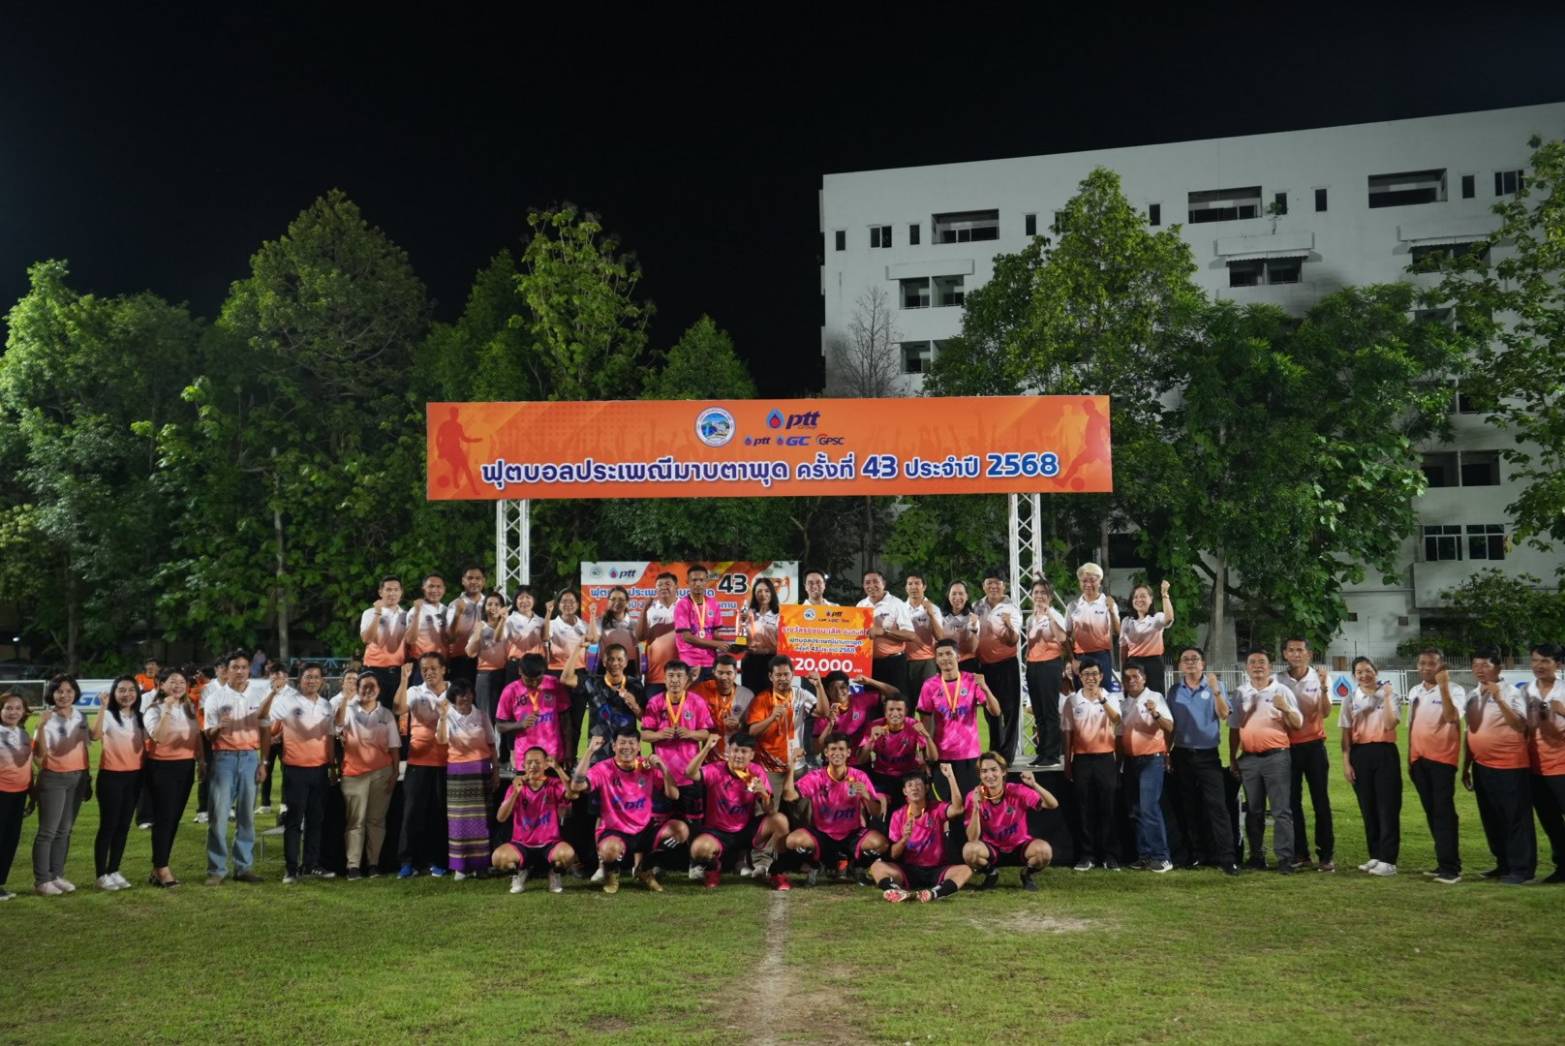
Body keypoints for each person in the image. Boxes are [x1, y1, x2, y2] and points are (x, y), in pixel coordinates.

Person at [570, 728, 682, 894]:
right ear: (614, 746)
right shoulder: (603, 769)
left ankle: (644, 869)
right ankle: (611, 873)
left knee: (679, 830)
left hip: (644, 830)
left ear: (639, 747)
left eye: (631, 743)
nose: (627, 747)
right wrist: (589, 751)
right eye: (622, 743)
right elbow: (576, 786)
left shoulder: (646, 766)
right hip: (615, 831)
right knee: (609, 850)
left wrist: (663, 767)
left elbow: (674, 795)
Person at [1463, 647, 1535, 885]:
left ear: (1499, 668)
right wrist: (1466, 766)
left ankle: (1522, 869)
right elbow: (1470, 731)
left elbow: (1520, 726)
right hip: (1481, 765)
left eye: (1485, 665)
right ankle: (1503, 863)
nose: (1480, 670)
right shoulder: (1473, 695)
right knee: (1492, 818)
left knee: (1515, 818)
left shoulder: (1513, 693)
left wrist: (1499, 699)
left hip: (1510, 766)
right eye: (1476, 665)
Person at [1228, 647, 1302, 874]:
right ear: (1246, 668)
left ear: (1270, 667)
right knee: (1254, 810)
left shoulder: (1282, 691)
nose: (1257, 666)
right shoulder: (1240, 693)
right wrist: (1232, 758)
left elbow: (1297, 723)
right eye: (1253, 662)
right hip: (1249, 758)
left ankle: (1285, 859)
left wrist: (1285, 708)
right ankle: (1256, 856)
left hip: (1276, 757)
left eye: (1262, 661)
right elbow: (1234, 728)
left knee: (1281, 810)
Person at [1165, 648, 1239, 875]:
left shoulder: (1215, 686)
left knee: (1217, 807)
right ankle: (1195, 854)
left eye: (1194, 659)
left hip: (1208, 755)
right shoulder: (1174, 690)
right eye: (1185, 659)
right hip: (1181, 754)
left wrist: (1216, 691)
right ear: (1180, 665)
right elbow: (1170, 725)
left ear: (1203, 663)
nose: (1190, 663)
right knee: (1188, 806)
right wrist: (1166, 752)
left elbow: (1224, 715)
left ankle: (1227, 858)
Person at [261, 663, 336, 884]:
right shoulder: (287, 701)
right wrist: (272, 694)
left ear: (322, 681)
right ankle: (291, 869)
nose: (312, 681)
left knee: (315, 820)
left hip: (320, 769)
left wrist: (332, 766)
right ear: (300, 679)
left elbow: (330, 737)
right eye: (307, 677)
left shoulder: (326, 706)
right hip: (295, 770)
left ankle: (310, 865)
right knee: (294, 821)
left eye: (316, 677)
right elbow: (262, 716)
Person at [780, 732, 888, 885]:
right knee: (792, 841)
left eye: (841, 749)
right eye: (833, 749)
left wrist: (867, 795)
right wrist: (791, 766)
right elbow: (789, 796)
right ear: (826, 752)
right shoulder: (816, 777)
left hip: (851, 834)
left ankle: (857, 867)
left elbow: (876, 813)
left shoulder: (859, 776)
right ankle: (815, 865)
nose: (837, 753)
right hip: (822, 834)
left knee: (881, 843)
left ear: (848, 752)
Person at [684, 732, 788, 888]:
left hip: (745, 830)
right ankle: (713, 868)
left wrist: (764, 794)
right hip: (717, 833)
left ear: (752, 755)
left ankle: (776, 871)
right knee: (698, 849)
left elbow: (771, 811)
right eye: (735, 750)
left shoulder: (756, 772)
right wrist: (706, 748)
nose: (738, 755)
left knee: (780, 820)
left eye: (744, 752)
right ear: (728, 751)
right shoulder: (715, 770)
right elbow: (689, 773)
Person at [202, 652, 267, 885]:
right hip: (224, 758)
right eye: (235, 667)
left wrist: (264, 762)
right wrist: (218, 727)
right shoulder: (215, 698)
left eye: (243, 667)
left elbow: (265, 731)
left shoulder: (259, 695)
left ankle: (243, 867)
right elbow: (208, 735)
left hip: (250, 758)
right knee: (219, 816)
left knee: (247, 816)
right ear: (226, 670)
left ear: (249, 669)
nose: (239, 671)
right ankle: (217, 870)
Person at [1276, 637, 1336, 872]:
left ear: (1308, 654)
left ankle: (1326, 854)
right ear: (1284, 654)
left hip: (1314, 746)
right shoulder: (1278, 680)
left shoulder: (1320, 677)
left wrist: (1323, 687)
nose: (1296, 654)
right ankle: (1300, 853)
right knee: (1292, 802)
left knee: (1320, 800)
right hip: (1288, 747)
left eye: (1300, 650)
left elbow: (1326, 712)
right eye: (1291, 650)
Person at [1339, 656, 1402, 876]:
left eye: (1368, 670)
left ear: (1376, 671)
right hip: (1360, 754)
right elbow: (1345, 733)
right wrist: (1346, 762)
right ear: (1354, 676)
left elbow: (1390, 724)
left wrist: (1386, 697)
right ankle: (1375, 855)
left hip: (1385, 752)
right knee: (1368, 807)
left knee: (1388, 807)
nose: (1364, 675)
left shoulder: (1391, 695)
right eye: (1359, 672)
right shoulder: (1350, 699)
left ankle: (1388, 860)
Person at [1405, 649, 1464, 884]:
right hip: (1419, 760)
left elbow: (1451, 717)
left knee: (1444, 812)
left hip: (1442, 760)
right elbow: (1411, 724)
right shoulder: (1415, 691)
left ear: (1441, 666)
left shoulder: (1455, 690)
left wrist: (1444, 686)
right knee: (1432, 812)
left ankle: (1452, 868)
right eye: (1422, 663)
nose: (1426, 667)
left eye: (1431, 663)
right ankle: (1443, 862)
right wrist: (1410, 758)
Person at [337, 668, 402, 880]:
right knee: (355, 821)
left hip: (381, 773)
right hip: (354, 773)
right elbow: (337, 725)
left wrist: (394, 773)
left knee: (376, 821)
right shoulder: (348, 709)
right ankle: (353, 866)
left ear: (379, 690)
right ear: (357, 689)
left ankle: (373, 864)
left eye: (372, 686)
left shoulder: (386, 715)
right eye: (364, 687)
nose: (368, 690)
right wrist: (345, 700)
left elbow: (394, 747)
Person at [917, 639, 1000, 803]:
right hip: (942, 755)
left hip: (970, 754)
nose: (944, 658)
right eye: (940, 655)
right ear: (936, 659)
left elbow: (995, 711)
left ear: (958, 656)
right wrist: (923, 754)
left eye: (949, 653)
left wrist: (985, 688)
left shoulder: (971, 680)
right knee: (948, 806)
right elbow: (924, 723)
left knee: (972, 803)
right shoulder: (930, 685)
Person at [961, 752, 1058, 890]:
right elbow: (972, 838)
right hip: (991, 848)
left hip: (1019, 845)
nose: (989, 775)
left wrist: (1034, 785)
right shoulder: (973, 796)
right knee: (969, 851)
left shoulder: (1017, 790)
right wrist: (976, 807)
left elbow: (1052, 804)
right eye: (984, 771)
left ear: (1003, 772)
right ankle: (991, 873)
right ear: (980, 775)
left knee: (1044, 851)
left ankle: (1026, 874)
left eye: (993, 770)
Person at [872, 768, 970, 903]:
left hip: (936, 869)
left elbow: (958, 809)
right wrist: (904, 839)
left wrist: (950, 777)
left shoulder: (937, 808)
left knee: (965, 870)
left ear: (926, 788)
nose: (914, 788)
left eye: (918, 784)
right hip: (909, 869)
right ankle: (895, 891)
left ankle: (934, 893)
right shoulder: (898, 815)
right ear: (905, 791)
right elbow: (893, 854)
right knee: (876, 867)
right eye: (910, 785)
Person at [640, 660, 715, 834]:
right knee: (660, 823)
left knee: (693, 824)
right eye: (671, 676)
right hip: (662, 776)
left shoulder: (697, 702)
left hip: (690, 775)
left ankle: (693, 850)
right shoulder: (655, 703)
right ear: (664, 679)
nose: (675, 680)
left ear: (687, 679)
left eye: (679, 676)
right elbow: (644, 735)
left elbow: (706, 734)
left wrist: (691, 734)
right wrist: (659, 735)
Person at [435, 678, 499, 880]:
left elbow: (492, 745)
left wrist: (495, 771)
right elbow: (442, 740)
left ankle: (481, 865)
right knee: (459, 819)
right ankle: (460, 866)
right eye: (460, 695)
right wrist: (442, 717)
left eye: (468, 693)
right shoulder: (447, 716)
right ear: (453, 698)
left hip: (480, 770)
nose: (465, 698)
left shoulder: (481, 715)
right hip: (458, 772)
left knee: (482, 819)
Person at [31, 675, 89, 896]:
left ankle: (56, 875)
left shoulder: (80, 715)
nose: (64, 695)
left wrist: (86, 777)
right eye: (59, 691)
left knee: (64, 830)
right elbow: (38, 757)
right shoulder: (47, 718)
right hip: (53, 778)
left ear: (75, 693)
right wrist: (41, 726)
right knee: (48, 831)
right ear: (52, 694)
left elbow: (86, 744)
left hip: (77, 778)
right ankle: (42, 880)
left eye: (69, 691)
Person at [143, 669, 200, 887]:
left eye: (182, 682)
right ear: (161, 685)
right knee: (164, 819)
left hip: (185, 766)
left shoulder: (188, 708)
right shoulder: (154, 709)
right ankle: (162, 868)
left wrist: (202, 762)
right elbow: (159, 736)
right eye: (172, 682)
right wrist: (166, 709)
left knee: (174, 818)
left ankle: (158, 867)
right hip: (162, 768)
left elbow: (196, 736)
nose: (178, 686)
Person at [1061, 660, 1120, 871]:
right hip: (1082, 760)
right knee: (1084, 808)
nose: (1090, 678)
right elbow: (1067, 733)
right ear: (1080, 677)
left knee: (1108, 807)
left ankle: (1109, 855)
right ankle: (1087, 855)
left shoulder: (1111, 697)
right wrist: (1067, 762)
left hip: (1106, 758)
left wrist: (1102, 700)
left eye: (1094, 674)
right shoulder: (1072, 701)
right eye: (1086, 674)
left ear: (1101, 676)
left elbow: (1117, 719)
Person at [493, 746, 576, 893]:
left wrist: (558, 768)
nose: (533, 766)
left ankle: (554, 873)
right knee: (498, 858)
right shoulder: (516, 786)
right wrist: (515, 793)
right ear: (523, 765)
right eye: (529, 762)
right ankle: (520, 871)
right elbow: (501, 817)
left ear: (545, 765)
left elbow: (572, 794)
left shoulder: (553, 784)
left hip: (550, 843)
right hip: (521, 843)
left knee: (567, 854)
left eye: (537, 762)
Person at [399, 650, 452, 878]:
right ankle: (408, 862)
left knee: (439, 814)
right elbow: (398, 708)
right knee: (412, 814)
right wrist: (404, 679)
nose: (429, 673)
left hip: (447, 761)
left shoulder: (454, 690)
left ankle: (438, 861)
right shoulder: (414, 691)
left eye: (433, 668)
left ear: (443, 670)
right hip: (418, 760)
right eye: (424, 670)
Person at [91, 676, 145, 891]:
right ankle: (100, 875)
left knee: (123, 826)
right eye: (121, 690)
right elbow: (95, 736)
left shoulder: (140, 717)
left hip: (134, 777)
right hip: (111, 777)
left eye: (131, 690)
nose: (127, 694)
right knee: (109, 826)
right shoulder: (108, 715)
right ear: (114, 693)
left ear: (137, 694)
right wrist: (102, 708)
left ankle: (114, 869)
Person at [1119, 664, 1174, 873]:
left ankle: (1162, 857)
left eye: (1135, 676)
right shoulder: (1124, 703)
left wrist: (1155, 713)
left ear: (1144, 678)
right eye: (1127, 678)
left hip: (1152, 759)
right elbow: (1119, 735)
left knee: (1149, 808)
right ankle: (1145, 855)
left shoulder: (1155, 697)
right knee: (1135, 810)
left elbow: (1169, 726)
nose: (1131, 680)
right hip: (1130, 761)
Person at [746, 655, 818, 795]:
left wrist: (819, 686)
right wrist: (771, 718)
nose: (783, 678)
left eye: (786, 674)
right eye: (778, 675)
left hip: (798, 766)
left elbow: (822, 712)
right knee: (773, 806)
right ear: (771, 676)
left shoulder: (800, 694)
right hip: (770, 769)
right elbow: (752, 732)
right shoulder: (761, 699)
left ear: (793, 674)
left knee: (800, 806)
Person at [856, 692, 938, 813]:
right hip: (882, 776)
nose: (895, 713)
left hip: (907, 776)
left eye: (899, 710)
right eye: (891, 709)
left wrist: (927, 736)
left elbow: (933, 758)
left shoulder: (914, 725)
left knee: (912, 811)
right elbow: (861, 760)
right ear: (885, 711)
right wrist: (871, 740)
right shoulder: (875, 726)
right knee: (878, 809)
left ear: (906, 711)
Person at [974, 572, 1023, 763]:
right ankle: (995, 750)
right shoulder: (977, 606)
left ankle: (1007, 755)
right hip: (984, 665)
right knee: (990, 710)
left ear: (1004, 586)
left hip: (1006, 664)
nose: (993, 587)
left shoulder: (1012, 608)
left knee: (1010, 710)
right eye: (989, 583)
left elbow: (1013, 640)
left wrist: (1008, 624)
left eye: (997, 583)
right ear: (983, 586)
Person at [1527, 642, 1565, 884]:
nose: (1538, 666)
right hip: (1536, 768)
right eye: (1535, 660)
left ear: (1558, 664)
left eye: (1545, 661)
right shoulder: (1526, 690)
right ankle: (1562, 867)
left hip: (1562, 766)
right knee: (1551, 821)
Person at [498, 651, 573, 772]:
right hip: (526, 758)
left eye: (538, 679)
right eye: (529, 680)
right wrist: (520, 725)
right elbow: (500, 726)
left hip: (552, 755)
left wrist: (569, 751)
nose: (534, 683)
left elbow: (566, 720)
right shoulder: (510, 691)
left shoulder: (554, 684)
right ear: (520, 671)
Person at [544, 591, 596, 753]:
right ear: (558, 605)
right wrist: (548, 613)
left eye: (572, 601)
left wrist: (592, 615)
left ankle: (571, 757)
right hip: (556, 674)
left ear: (578, 604)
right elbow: (545, 637)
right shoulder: (552, 624)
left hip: (579, 674)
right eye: (564, 601)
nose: (568, 604)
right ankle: (555, 756)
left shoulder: (583, 625)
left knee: (576, 718)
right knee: (556, 719)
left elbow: (593, 639)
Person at [1025, 578, 1068, 767]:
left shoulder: (1055, 615)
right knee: (1039, 712)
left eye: (1043, 592)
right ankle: (1042, 752)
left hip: (1050, 665)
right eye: (1036, 592)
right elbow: (1030, 645)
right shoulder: (1030, 619)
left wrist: (1049, 614)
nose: (1039, 596)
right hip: (1033, 666)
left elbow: (1062, 638)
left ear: (1050, 596)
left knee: (1050, 711)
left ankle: (1053, 754)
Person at [858, 570, 916, 697]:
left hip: (893, 663)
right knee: (872, 701)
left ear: (883, 583)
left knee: (896, 700)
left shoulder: (897, 604)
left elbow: (911, 635)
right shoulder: (861, 605)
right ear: (863, 586)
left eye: (875, 581)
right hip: (869, 664)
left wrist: (883, 632)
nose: (871, 586)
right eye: (867, 582)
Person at [359, 576, 410, 708]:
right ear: (380, 592)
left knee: (396, 712)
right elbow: (366, 639)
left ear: (401, 592)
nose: (392, 593)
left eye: (396, 590)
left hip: (398, 672)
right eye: (388, 589)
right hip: (374, 670)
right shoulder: (369, 613)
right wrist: (378, 613)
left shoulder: (406, 615)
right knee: (373, 711)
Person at [1065, 563, 1119, 686]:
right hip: (1079, 657)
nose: (1088, 584)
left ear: (1099, 582)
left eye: (1092, 580)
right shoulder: (1072, 606)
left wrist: (1111, 611)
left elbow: (1117, 631)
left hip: (1101, 656)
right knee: (1081, 695)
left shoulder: (1108, 603)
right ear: (1079, 583)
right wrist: (1072, 660)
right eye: (1084, 581)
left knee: (1103, 694)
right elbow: (1066, 637)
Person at [0, 693, 31, 900]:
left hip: (19, 794)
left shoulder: (23, 734)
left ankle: (0, 883)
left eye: (18, 708)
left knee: (10, 840)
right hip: (1, 793)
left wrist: (32, 792)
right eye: (8, 708)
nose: (13, 712)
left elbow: (27, 765)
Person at [1119, 580, 1174, 696]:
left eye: (1143, 596)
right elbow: (1123, 649)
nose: (1139, 599)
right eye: (1135, 597)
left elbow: (1169, 618)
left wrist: (1165, 594)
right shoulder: (1127, 621)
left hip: (1153, 663)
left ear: (1151, 599)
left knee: (1154, 697)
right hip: (1133, 663)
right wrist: (1123, 672)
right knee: (1132, 698)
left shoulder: (1156, 618)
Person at [674, 565, 727, 683]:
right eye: (694, 580)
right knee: (691, 694)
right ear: (687, 582)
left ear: (706, 582)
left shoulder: (713, 603)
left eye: (701, 580)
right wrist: (717, 644)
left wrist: (729, 645)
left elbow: (715, 634)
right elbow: (687, 637)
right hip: (690, 662)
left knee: (709, 694)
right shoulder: (682, 604)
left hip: (710, 662)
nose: (698, 583)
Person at [466, 592, 513, 726]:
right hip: (485, 675)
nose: (493, 607)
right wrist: (477, 632)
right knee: (486, 716)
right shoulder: (480, 626)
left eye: (497, 604)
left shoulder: (509, 625)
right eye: (489, 604)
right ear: (484, 607)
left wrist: (503, 619)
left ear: (502, 607)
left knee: (504, 714)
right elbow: (470, 652)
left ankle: (502, 740)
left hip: (505, 673)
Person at [811, 671, 884, 755]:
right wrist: (830, 725)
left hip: (859, 758)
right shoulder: (824, 712)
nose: (838, 692)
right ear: (828, 691)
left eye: (842, 687)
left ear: (848, 688)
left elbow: (893, 694)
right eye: (833, 688)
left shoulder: (861, 700)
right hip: (835, 759)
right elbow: (816, 750)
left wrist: (870, 681)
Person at [692, 655, 750, 759]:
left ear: (736, 673)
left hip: (736, 756)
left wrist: (739, 725)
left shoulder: (747, 695)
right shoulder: (701, 690)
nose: (724, 677)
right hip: (708, 755)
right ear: (713, 672)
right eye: (720, 673)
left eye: (729, 673)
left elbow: (752, 728)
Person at [256, 665, 296, 815]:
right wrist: (267, 736)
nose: (275, 678)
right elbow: (260, 715)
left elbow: (293, 719)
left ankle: (284, 803)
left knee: (286, 772)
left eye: (278, 675)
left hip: (285, 738)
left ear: (285, 677)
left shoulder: (293, 694)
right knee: (265, 768)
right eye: (272, 675)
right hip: (267, 737)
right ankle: (265, 804)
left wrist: (279, 736)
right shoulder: (264, 692)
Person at [635, 572, 680, 698]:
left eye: (668, 584)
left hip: (680, 675)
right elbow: (640, 637)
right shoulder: (650, 610)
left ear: (677, 587)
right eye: (659, 585)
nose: (663, 587)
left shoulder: (686, 606)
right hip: (655, 676)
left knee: (680, 710)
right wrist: (644, 609)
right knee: (653, 709)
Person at [902, 574, 947, 698]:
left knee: (929, 700)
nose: (913, 587)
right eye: (910, 584)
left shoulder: (934, 609)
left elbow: (940, 637)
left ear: (924, 587)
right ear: (906, 588)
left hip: (927, 661)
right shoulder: (900, 608)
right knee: (908, 700)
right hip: (905, 660)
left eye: (917, 583)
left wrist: (931, 615)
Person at [445, 564, 488, 690]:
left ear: (483, 581)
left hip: (486, 661)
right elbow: (450, 638)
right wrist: (457, 614)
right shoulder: (454, 605)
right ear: (463, 581)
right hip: (461, 661)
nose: (474, 581)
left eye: (478, 578)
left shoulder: (490, 603)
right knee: (461, 697)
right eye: (470, 578)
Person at [738, 578, 781, 695]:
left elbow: (786, 645)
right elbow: (740, 640)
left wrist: (767, 650)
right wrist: (742, 624)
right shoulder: (747, 613)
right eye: (759, 591)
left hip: (772, 662)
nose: (763, 594)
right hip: (750, 662)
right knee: (749, 698)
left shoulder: (780, 614)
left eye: (767, 591)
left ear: (772, 592)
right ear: (754, 594)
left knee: (770, 698)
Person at [506, 586, 546, 684]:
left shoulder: (541, 621)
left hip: (536, 664)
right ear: (515, 601)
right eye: (520, 598)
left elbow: (546, 642)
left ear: (534, 600)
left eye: (528, 597)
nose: (524, 601)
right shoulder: (509, 620)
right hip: (516, 665)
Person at [597, 586, 639, 678]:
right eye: (613, 599)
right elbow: (592, 640)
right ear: (608, 601)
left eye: (621, 599)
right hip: (606, 666)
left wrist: (639, 671)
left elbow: (639, 650)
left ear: (627, 602)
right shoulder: (599, 622)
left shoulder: (635, 624)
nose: (617, 602)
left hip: (629, 668)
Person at [942, 581, 981, 674]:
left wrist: (973, 627)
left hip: (968, 664)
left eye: (961, 593)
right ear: (948, 596)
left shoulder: (972, 618)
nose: (957, 597)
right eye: (954, 593)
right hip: (946, 664)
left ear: (967, 596)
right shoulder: (941, 618)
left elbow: (973, 649)